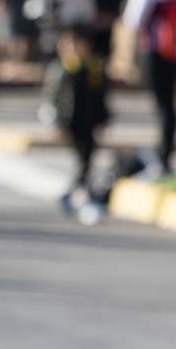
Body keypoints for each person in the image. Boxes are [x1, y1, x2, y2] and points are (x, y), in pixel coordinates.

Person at [122, 0, 176, 175]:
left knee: (163, 104)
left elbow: (134, 18)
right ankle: (167, 151)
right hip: (175, 48)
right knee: (171, 102)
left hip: (154, 48)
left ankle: (164, 154)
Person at [43, 26, 110, 214]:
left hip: (90, 121)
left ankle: (81, 191)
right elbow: (53, 98)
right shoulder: (62, 70)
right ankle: (82, 191)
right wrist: (57, 122)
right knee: (82, 159)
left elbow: (101, 96)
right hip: (71, 122)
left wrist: (104, 118)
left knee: (88, 158)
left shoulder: (94, 68)